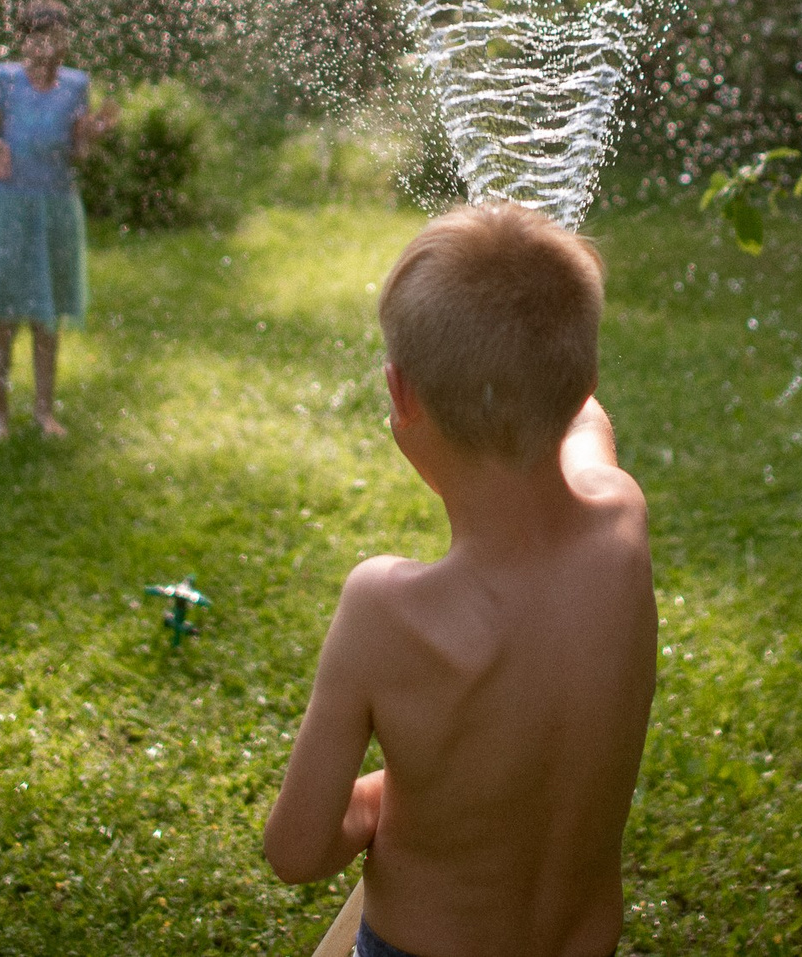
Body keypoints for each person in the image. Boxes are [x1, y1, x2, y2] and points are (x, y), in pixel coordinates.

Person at [264, 202, 657, 957]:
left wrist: (391, 795)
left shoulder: (385, 606)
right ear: (585, 377)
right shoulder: (623, 525)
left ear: (400, 394)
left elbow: (297, 849)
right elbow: (584, 427)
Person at [0, 0, 114, 443]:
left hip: (56, 208)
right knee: (4, 314)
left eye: (54, 37)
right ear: (24, 41)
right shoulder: (3, 80)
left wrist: (91, 133)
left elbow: (78, 151)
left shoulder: (76, 86)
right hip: (10, 206)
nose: (46, 47)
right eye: (37, 38)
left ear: (65, 41)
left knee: (47, 317)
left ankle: (43, 413)